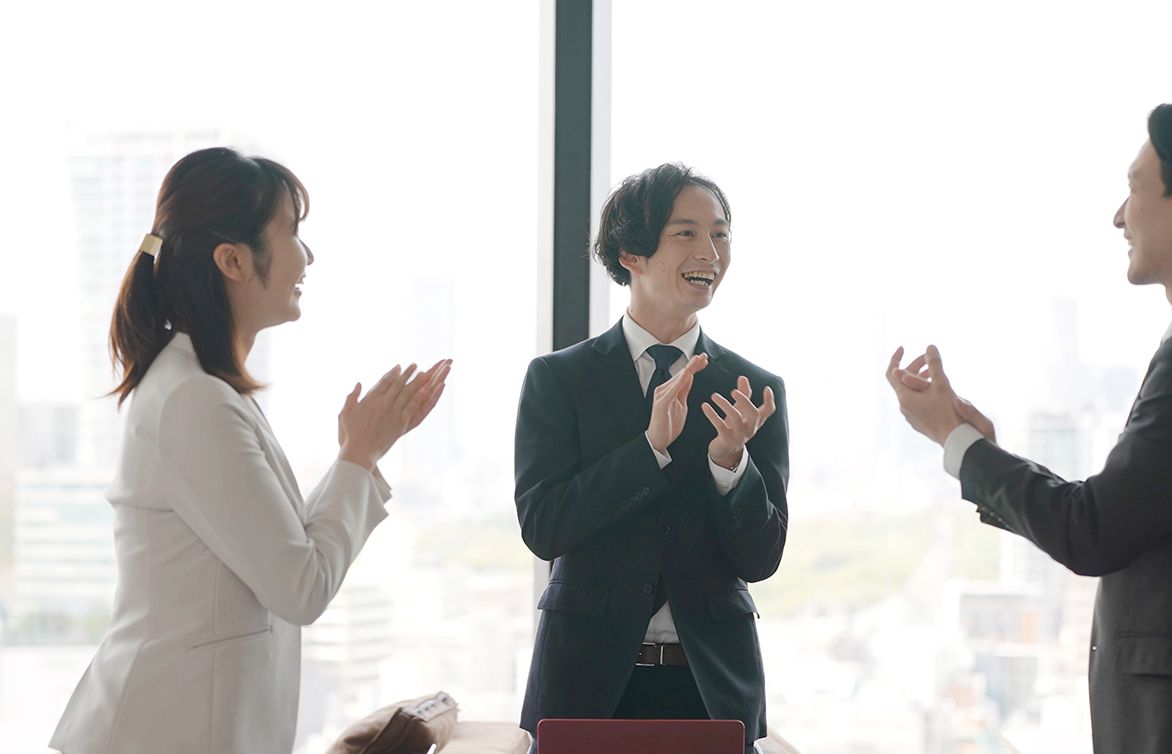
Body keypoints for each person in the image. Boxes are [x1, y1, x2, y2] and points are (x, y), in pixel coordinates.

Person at [887, 88, 1172, 753]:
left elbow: (1094, 530)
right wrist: (982, 449)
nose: (1118, 216)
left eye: (1135, 188)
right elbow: (1132, 512)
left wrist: (955, 439)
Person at [49, 147, 451, 753]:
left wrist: (361, 453)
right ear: (233, 261)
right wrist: (358, 457)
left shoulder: (202, 390)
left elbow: (282, 551)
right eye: (292, 232)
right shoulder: (194, 401)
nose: (307, 255)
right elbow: (300, 587)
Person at [514, 163, 789, 752]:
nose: (710, 251)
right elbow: (544, 527)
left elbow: (762, 558)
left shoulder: (753, 389)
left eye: (720, 233)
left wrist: (730, 465)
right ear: (630, 253)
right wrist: (648, 451)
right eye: (686, 232)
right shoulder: (558, 380)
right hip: (582, 687)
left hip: (712, 690)